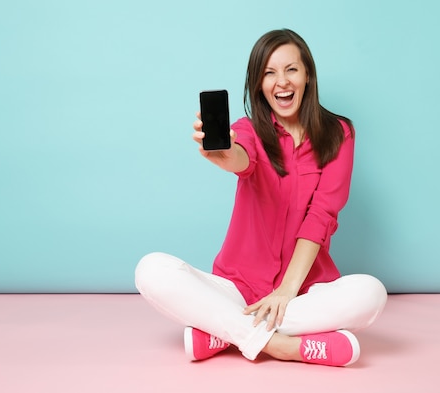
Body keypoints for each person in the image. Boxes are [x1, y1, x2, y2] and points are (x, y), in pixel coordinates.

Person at [135, 28, 387, 367]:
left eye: (291, 69)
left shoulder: (339, 134)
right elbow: (241, 156)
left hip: (301, 294)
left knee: (371, 294)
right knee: (150, 270)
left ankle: (223, 330)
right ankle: (282, 345)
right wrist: (226, 152)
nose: (281, 81)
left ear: (308, 75)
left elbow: (322, 214)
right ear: (258, 84)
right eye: (269, 73)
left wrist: (285, 291)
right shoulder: (248, 130)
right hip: (237, 287)